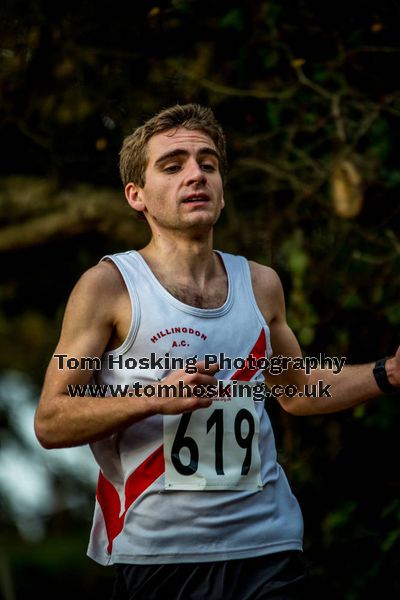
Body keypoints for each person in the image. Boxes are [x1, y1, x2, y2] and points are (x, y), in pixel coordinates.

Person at [35, 104, 400, 600]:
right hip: (164, 556)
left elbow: (295, 391)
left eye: (208, 164)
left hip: (269, 545)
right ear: (135, 196)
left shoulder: (262, 284)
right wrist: (154, 400)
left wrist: (389, 372)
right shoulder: (109, 287)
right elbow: (51, 421)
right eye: (173, 165)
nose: (196, 175)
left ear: (223, 190)